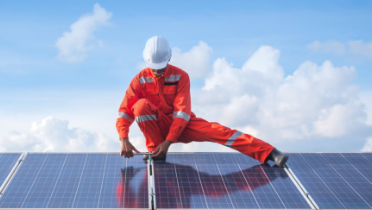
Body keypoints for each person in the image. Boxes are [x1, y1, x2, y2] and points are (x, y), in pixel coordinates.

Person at [116, 36, 289, 167]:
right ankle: (156, 153)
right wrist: (123, 137)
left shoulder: (181, 76)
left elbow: (181, 113)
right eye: (154, 67)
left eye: (161, 67)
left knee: (220, 132)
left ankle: (269, 152)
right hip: (158, 125)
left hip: (182, 125)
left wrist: (168, 141)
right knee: (139, 106)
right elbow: (125, 110)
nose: (157, 71)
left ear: (169, 58)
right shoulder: (139, 80)